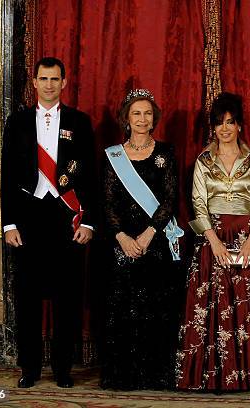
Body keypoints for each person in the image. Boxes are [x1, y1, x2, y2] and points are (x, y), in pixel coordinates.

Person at [176, 92, 250, 391]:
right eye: (219, 123)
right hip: (212, 238)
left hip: (247, 238)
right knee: (212, 303)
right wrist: (213, 242)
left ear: (240, 125)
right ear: (213, 128)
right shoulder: (203, 162)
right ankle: (212, 375)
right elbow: (198, 204)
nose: (225, 128)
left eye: (230, 122)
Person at [1, 57, 97, 388]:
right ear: (34, 82)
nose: (49, 84)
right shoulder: (17, 122)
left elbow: (92, 176)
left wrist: (90, 223)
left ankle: (61, 370)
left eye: (55, 79)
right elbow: (8, 175)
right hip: (28, 219)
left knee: (66, 300)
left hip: (66, 218)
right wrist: (9, 223)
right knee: (27, 299)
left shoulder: (80, 122)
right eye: (43, 78)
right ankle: (29, 368)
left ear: (65, 82)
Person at [100, 89, 183, 390]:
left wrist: (149, 234)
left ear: (154, 118)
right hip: (122, 242)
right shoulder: (113, 156)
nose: (142, 119)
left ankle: (156, 374)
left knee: (156, 309)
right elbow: (106, 204)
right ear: (126, 118)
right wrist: (121, 236)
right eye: (136, 113)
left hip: (156, 240)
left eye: (147, 113)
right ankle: (123, 375)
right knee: (124, 309)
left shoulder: (166, 153)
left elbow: (170, 200)